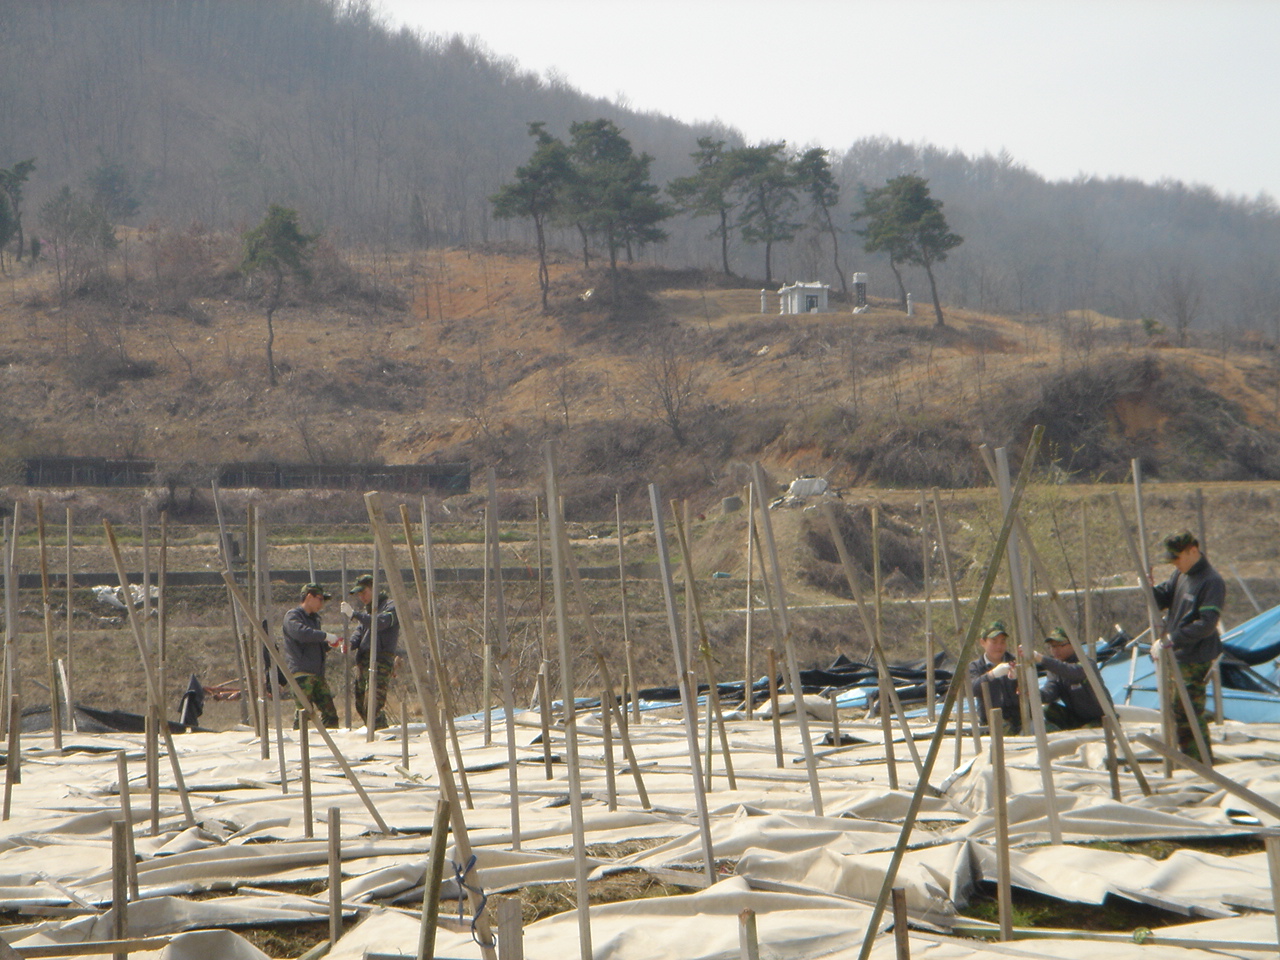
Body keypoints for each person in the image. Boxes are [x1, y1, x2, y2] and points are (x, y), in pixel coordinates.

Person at [1151, 530, 1225, 764]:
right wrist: (1148, 588)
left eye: (1177, 558)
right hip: (1178, 655)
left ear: (1192, 551)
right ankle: (1189, 758)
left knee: (1189, 712)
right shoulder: (1180, 575)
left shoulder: (1211, 581)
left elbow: (1206, 624)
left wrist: (1171, 638)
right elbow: (1162, 599)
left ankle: (1200, 761)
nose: (1174, 563)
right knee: (1178, 711)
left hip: (1195, 656)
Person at [341, 573, 399, 729]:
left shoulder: (390, 607)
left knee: (372, 705)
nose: (362, 597)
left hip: (380, 660)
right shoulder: (367, 612)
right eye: (359, 594)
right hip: (363, 661)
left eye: (364, 592)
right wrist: (349, 644)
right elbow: (359, 633)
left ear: (374, 589)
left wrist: (354, 615)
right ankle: (376, 732)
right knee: (361, 705)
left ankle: (380, 733)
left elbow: (380, 623)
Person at [281, 583, 343, 728]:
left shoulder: (314, 619)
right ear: (309, 597)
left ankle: (329, 742)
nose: (321, 604)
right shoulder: (293, 616)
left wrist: (329, 644)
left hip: (317, 673)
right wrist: (325, 636)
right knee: (304, 713)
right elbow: (302, 634)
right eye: (320, 599)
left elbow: (314, 642)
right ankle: (300, 744)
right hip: (302, 673)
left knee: (330, 714)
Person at [1033, 627, 1104, 731]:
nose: (1055, 650)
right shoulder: (1054, 671)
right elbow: (1049, 693)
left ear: (1073, 645)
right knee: (1048, 710)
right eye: (1052, 646)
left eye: (1060, 646)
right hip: (1076, 718)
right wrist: (1032, 692)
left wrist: (1041, 659)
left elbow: (1072, 672)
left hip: (1099, 718)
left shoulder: (1086, 663)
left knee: (1086, 731)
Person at [969, 620, 1021, 734]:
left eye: (1002, 642)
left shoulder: (1015, 662)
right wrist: (991, 675)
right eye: (994, 641)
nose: (999, 646)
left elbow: (1030, 687)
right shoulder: (976, 666)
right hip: (991, 723)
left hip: (1020, 719)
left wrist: (1019, 679)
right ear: (983, 642)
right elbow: (972, 689)